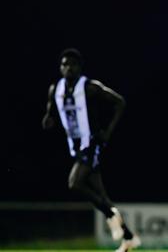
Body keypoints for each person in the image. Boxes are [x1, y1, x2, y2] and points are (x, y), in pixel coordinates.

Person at [42, 48, 140, 252]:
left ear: (79, 68)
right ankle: (129, 239)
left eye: (72, 65)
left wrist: (107, 132)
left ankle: (110, 215)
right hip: (75, 147)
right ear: (60, 68)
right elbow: (51, 109)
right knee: (101, 194)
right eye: (64, 64)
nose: (68, 68)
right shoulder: (55, 89)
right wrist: (49, 118)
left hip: (91, 144)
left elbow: (119, 102)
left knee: (74, 182)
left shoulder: (89, 87)